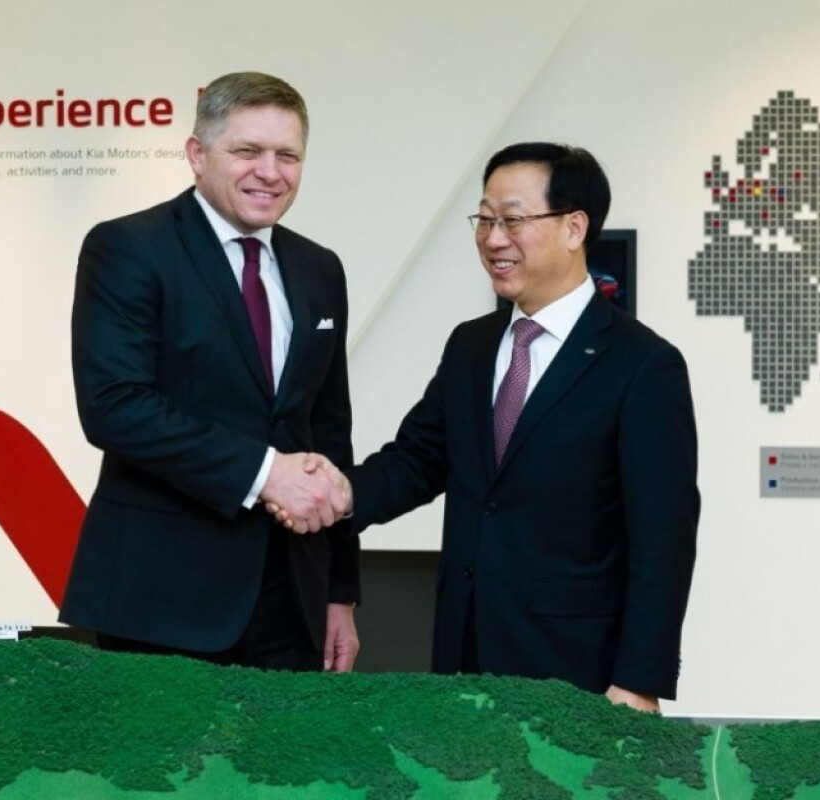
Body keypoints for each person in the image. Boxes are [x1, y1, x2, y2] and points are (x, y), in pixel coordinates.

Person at [290, 143, 699, 710]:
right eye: (484, 220)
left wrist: (638, 680)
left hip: (578, 670)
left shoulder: (643, 365)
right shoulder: (472, 345)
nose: (493, 239)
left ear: (574, 227)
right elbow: (417, 460)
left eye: (512, 220)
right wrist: (339, 493)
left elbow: (663, 539)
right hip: (463, 654)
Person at [60, 71, 359, 672]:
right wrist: (265, 473)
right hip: (161, 599)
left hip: (293, 601)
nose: (269, 172)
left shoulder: (320, 268)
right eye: (247, 151)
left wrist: (339, 593)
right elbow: (115, 406)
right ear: (197, 154)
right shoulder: (128, 248)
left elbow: (328, 432)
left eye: (287, 155)